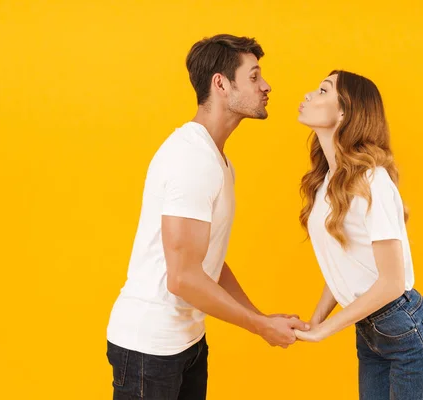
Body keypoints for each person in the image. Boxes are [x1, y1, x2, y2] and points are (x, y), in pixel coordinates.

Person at [106, 34, 309, 400]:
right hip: (149, 349)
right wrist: (260, 327)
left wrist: (262, 317)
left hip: (188, 342)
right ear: (220, 83)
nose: (266, 86)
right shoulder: (191, 159)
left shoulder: (218, 161)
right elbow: (183, 278)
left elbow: (206, 262)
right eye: (253, 76)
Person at [294, 70, 423, 399]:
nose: (308, 94)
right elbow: (345, 264)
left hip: (409, 335)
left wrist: (324, 331)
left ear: (344, 112)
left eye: (322, 90)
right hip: (369, 331)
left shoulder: (372, 181)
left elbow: (391, 284)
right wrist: (314, 321)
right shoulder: (327, 183)